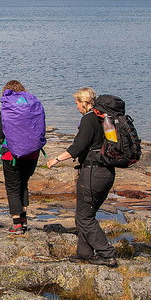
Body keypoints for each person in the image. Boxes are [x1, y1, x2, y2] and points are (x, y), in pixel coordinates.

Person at [46, 87, 118, 267]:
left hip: (93, 173)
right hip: (106, 171)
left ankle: (106, 253)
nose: (76, 106)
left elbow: (78, 146)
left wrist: (56, 159)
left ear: (84, 102)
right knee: (87, 213)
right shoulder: (104, 118)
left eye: (77, 102)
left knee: (83, 217)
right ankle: (84, 253)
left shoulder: (88, 119)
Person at [0, 80, 46, 234]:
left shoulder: (7, 109)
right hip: (31, 154)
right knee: (23, 184)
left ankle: (17, 224)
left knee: (12, 188)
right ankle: (24, 222)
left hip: (11, 155)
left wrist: (7, 142)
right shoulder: (32, 106)